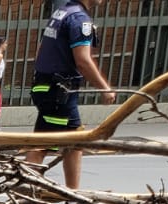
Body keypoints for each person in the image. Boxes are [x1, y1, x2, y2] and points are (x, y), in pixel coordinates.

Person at [24, 0, 114, 190]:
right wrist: (104, 88)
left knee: (75, 142)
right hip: (60, 92)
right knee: (41, 145)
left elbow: (40, 51)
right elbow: (83, 61)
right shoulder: (79, 19)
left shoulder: (61, 13)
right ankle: (24, 197)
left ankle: (72, 197)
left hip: (49, 88)